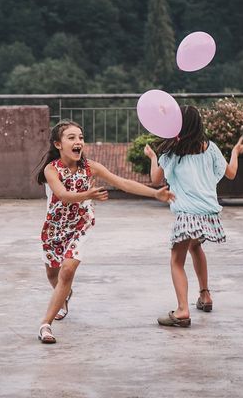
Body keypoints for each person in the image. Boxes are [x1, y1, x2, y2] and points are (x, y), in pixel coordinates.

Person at [35, 119, 175, 344]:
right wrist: (88, 195)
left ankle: (45, 325)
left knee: (67, 271)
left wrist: (155, 193)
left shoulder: (91, 167)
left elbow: (123, 183)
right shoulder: (51, 170)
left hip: (81, 224)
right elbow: (62, 195)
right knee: (53, 274)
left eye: (80, 137)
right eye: (71, 138)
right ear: (58, 144)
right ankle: (65, 295)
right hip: (54, 228)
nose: (78, 141)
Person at [143, 105, 243, 327]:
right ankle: (205, 295)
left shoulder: (172, 151)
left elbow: (155, 179)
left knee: (176, 261)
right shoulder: (210, 148)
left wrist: (152, 156)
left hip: (187, 214)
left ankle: (182, 311)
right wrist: (235, 153)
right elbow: (231, 173)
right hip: (208, 213)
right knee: (195, 247)